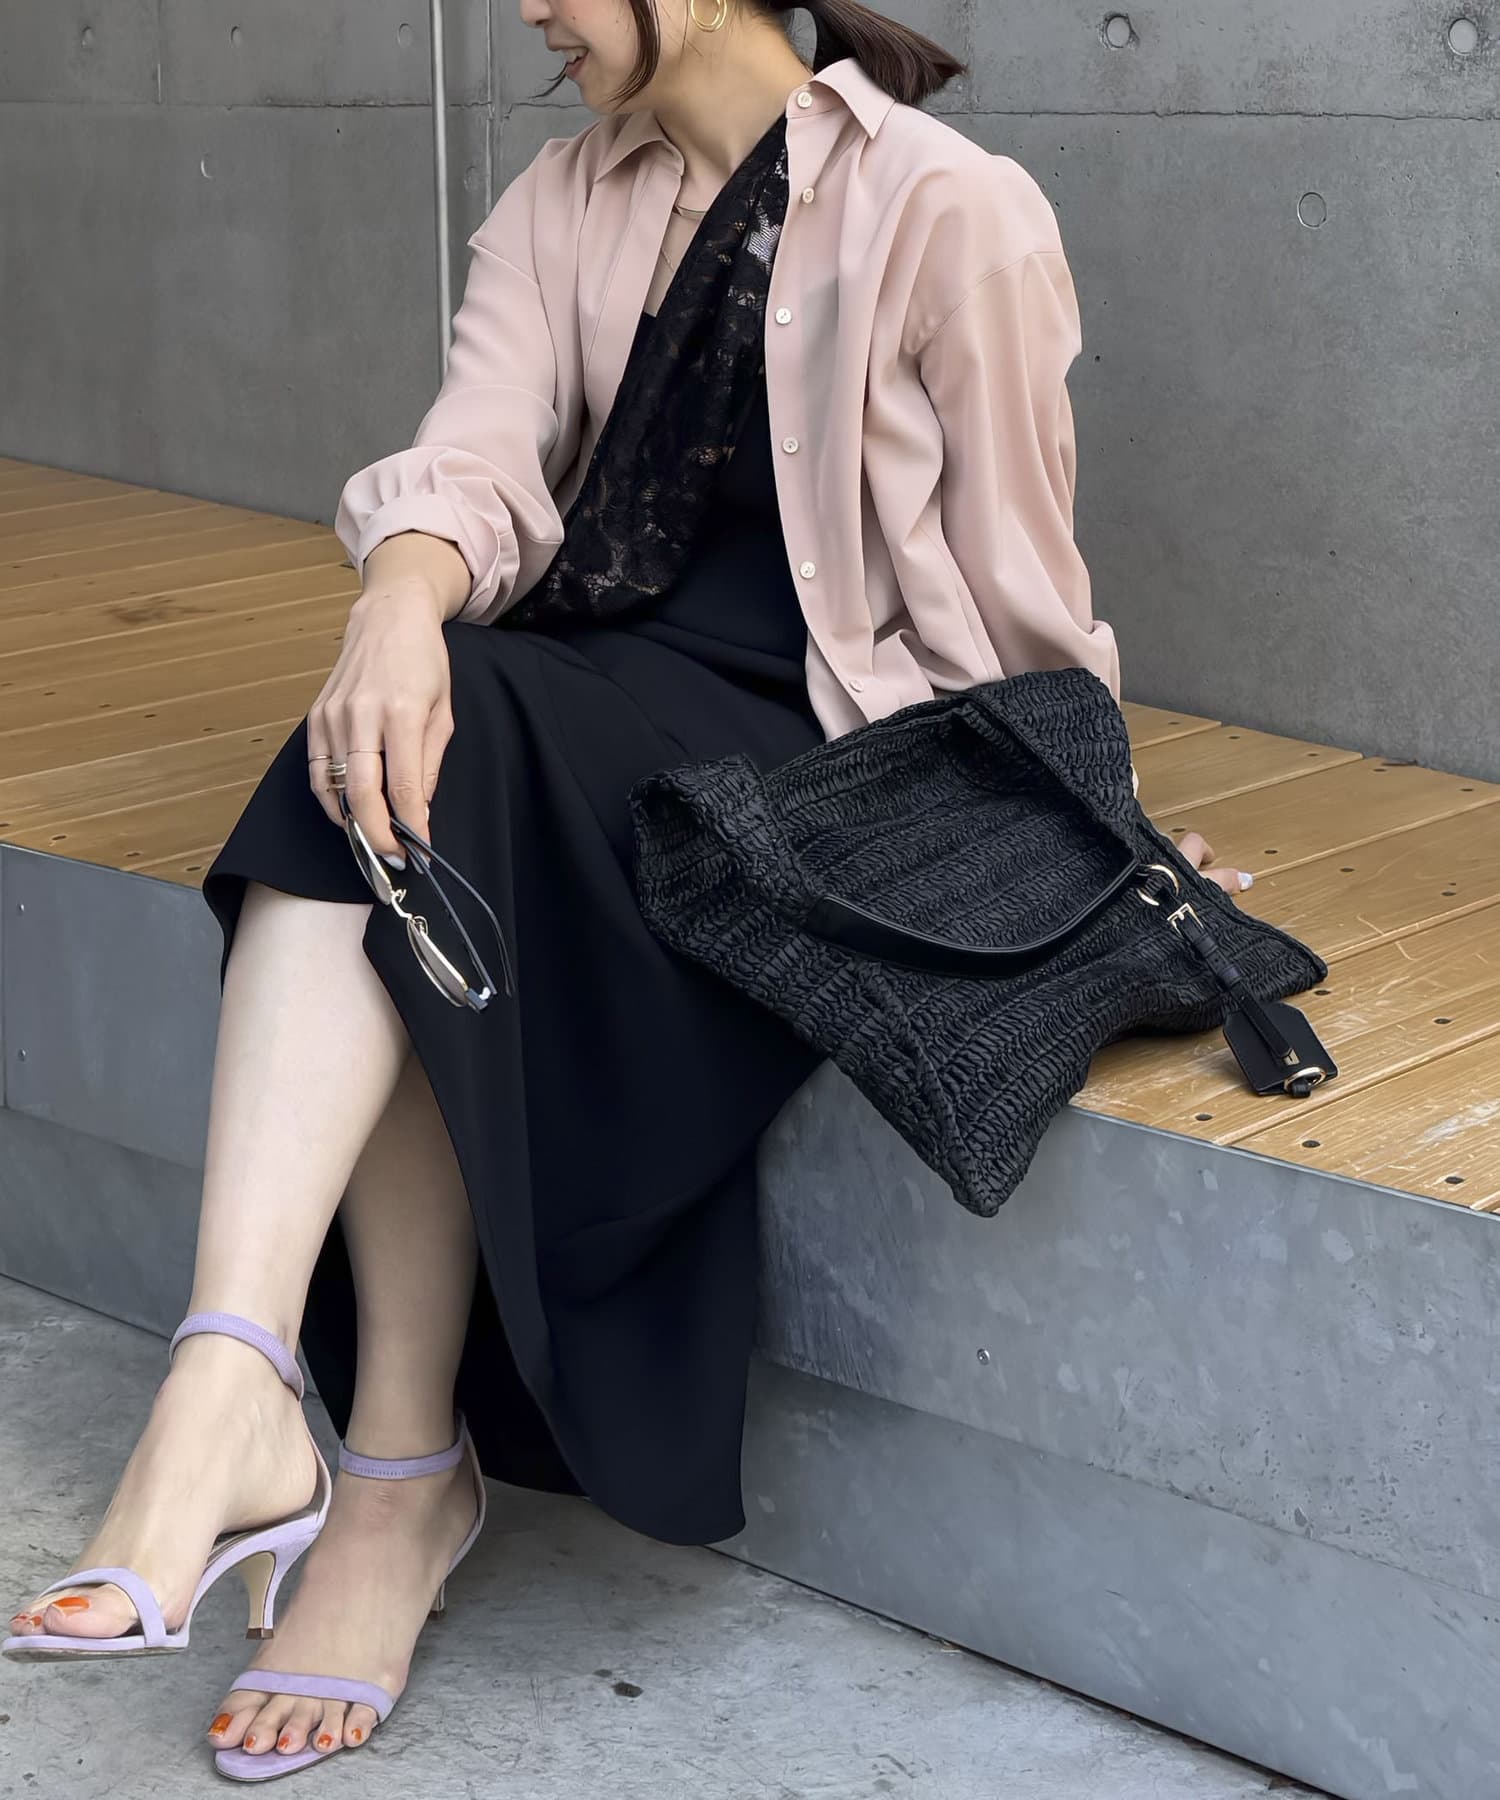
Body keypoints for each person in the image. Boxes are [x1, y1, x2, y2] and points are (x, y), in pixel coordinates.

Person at [4, 0, 1251, 1777]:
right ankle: (257, 1386)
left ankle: (362, 1462)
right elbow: (478, 456)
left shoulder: (950, 207)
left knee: (447, 762)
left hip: (816, 769)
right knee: (409, 737)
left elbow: (1022, 596)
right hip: (589, 704)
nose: (527, 6)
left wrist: (1098, 826)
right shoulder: (561, 201)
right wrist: (393, 603)